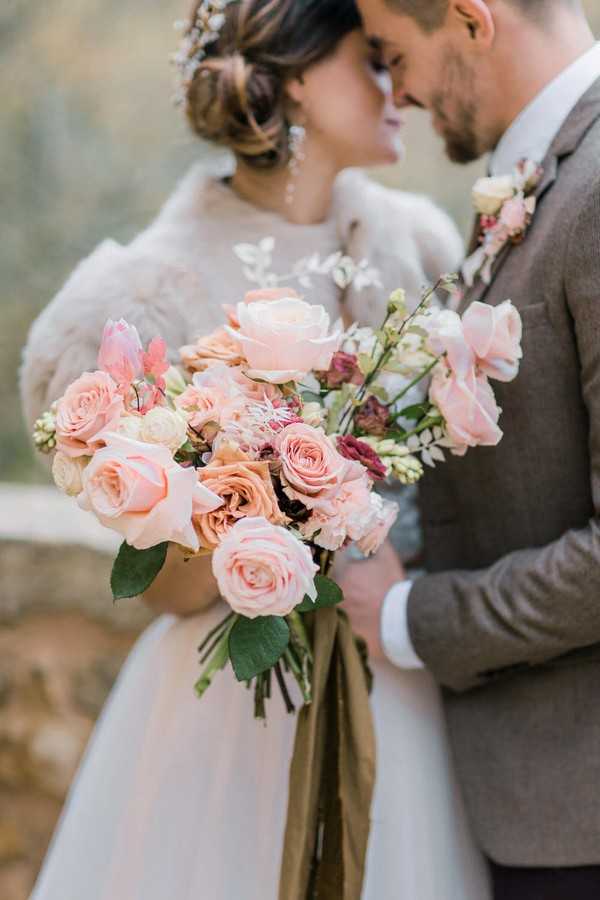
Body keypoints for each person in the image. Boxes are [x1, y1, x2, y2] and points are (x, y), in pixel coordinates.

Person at [20, 1, 490, 898]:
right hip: (228, 715)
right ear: (301, 81)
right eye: (372, 60)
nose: (399, 87)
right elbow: (160, 587)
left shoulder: (420, 252)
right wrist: (261, 523)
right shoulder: (130, 302)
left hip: (398, 682)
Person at [341, 1, 600, 897]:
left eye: (394, 54)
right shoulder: (544, 173)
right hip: (532, 801)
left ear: (469, 19)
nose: (397, 91)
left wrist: (406, 616)